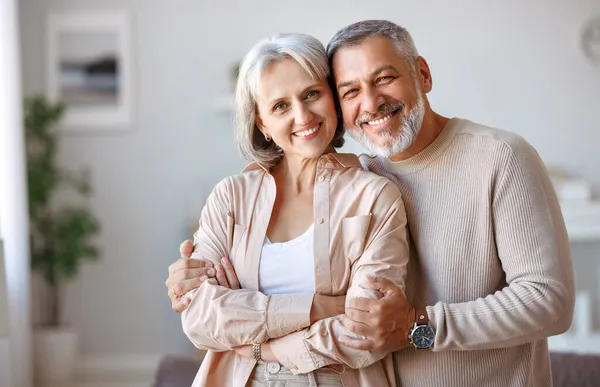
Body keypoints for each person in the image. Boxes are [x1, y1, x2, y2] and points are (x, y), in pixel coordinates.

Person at [167, 20, 576, 387]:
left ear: (423, 74)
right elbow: (205, 312)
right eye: (350, 90)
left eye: (384, 78)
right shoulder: (363, 174)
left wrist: (420, 325)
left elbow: (549, 300)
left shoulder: (499, 157)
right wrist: (196, 287)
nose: (371, 101)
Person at [172, 32, 410, 387]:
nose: (302, 115)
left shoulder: (375, 196)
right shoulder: (231, 197)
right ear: (262, 124)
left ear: (332, 97)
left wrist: (260, 347)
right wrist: (318, 308)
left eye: (311, 94)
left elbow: (366, 332)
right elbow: (201, 319)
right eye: (280, 106)